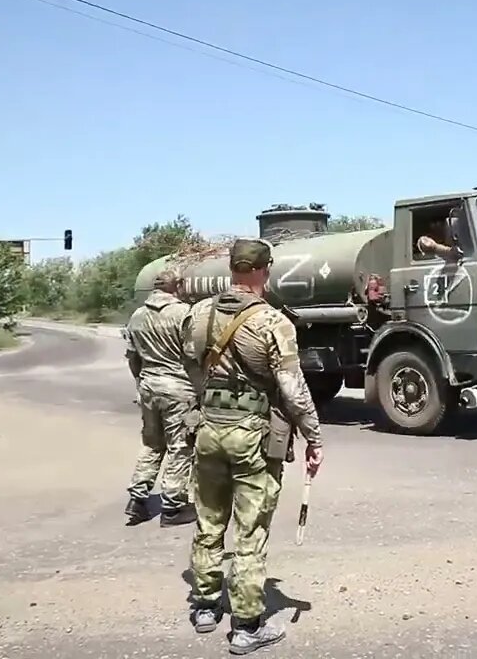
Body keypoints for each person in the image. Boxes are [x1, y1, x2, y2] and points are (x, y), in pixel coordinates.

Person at [182, 237, 323, 654]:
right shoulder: (273, 322)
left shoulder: (199, 314)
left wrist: (211, 398)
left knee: (208, 519)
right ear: (265, 270)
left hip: (208, 428)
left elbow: (191, 365)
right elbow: (293, 389)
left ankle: (205, 606)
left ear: (232, 269)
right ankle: (247, 625)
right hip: (253, 435)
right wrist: (314, 435)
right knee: (250, 529)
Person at [122, 268, 198, 528]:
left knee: (152, 444)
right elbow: (192, 354)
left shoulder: (137, 316)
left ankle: (137, 500)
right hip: (177, 388)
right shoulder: (183, 314)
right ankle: (173, 507)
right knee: (180, 446)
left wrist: (139, 381)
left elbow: (132, 356)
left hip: (148, 386)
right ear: (176, 286)